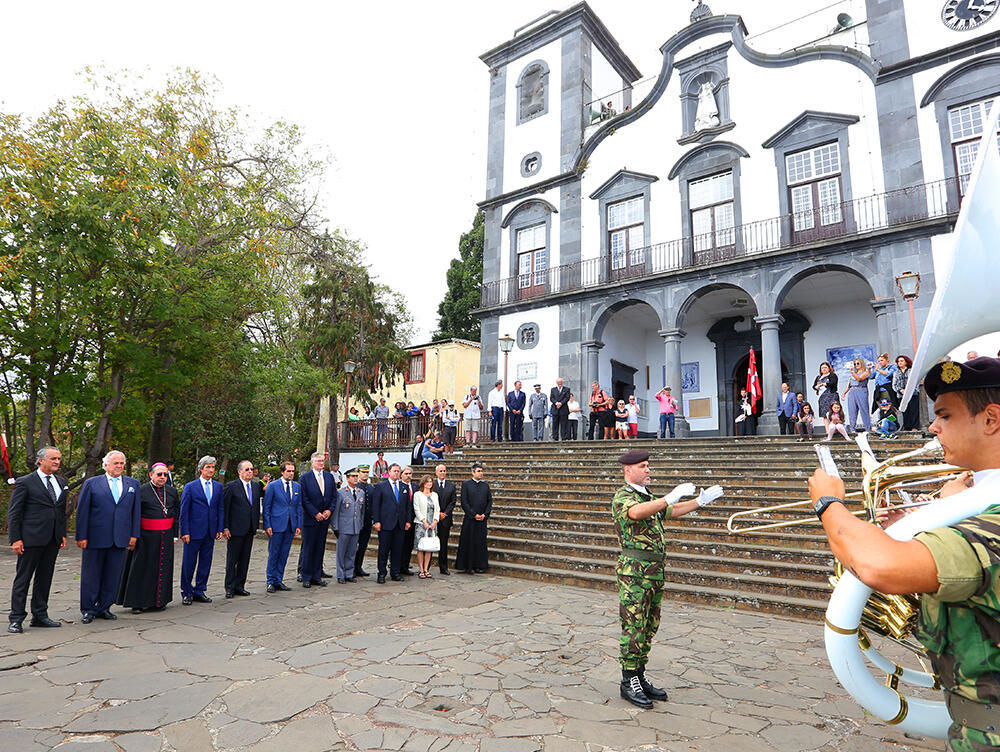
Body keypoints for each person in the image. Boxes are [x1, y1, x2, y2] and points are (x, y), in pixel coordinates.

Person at [809, 356, 1000, 751]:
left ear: (990, 419)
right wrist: (917, 523)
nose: (933, 427)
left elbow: (880, 565)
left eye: (945, 415)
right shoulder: (976, 500)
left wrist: (829, 503)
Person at [613, 449, 724, 708]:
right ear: (628, 470)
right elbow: (636, 513)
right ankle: (628, 681)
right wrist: (667, 497)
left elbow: (671, 510)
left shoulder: (647, 496)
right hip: (634, 573)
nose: (648, 469)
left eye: (648, 465)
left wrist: (699, 501)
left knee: (649, 626)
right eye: (642, 466)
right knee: (634, 627)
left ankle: (639, 674)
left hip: (654, 572)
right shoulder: (623, 497)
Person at [7, 446, 68, 633]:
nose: (57, 462)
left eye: (58, 459)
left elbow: (60, 511)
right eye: (53, 458)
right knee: (23, 578)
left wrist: (62, 533)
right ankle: (16, 618)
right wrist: (15, 539)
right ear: (41, 460)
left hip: (52, 539)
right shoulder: (25, 482)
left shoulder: (61, 481)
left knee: (44, 578)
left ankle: (40, 615)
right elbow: (15, 512)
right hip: (30, 538)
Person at [75, 450, 141, 623]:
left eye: (121, 463)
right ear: (105, 465)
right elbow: (83, 511)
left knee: (113, 575)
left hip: (120, 537)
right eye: (115, 463)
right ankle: (89, 609)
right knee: (91, 575)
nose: (119, 466)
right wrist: (81, 536)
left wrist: (134, 535)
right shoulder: (92, 483)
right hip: (95, 537)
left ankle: (104, 607)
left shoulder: (132, 484)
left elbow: (136, 512)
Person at [117, 462, 179, 612]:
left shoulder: (171, 491)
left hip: (166, 536)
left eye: (165, 475)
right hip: (145, 537)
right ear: (151, 475)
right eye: (159, 474)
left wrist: (175, 535)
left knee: (163, 568)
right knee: (142, 569)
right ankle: (137, 603)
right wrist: (133, 536)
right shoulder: (141, 491)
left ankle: (159, 601)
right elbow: (133, 514)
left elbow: (176, 514)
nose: (162, 477)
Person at [179, 456, 224, 605]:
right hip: (193, 532)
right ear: (201, 469)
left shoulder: (218, 487)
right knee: (189, 563)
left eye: (213, 467)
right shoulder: (191, 487)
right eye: (208, 467)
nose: (211, 470)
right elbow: (184, 511)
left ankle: (200, 590)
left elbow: (220, 508)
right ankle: (186, 592)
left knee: (205, 562)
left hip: (210, 531)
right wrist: (184, 531)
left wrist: (219, 528)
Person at [222, 460, 262, 598]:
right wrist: (225, 527)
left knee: (245, 560)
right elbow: (225, 508)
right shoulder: (231, 486)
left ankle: (240, 586)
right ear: (239, 471)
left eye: (251, 469)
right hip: (235, 529)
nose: (250, 472)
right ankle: (229, 587)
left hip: (250, 528)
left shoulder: (256, 486)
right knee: (232, 560)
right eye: (247, 469)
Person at [262, 461, 301, 593]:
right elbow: (267, 507)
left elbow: (298, 507)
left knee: (284, 554)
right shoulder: (273, 486)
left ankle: (278, 580)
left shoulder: (297, 486)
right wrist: (267, 525)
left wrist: (298, 524)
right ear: (282, 472)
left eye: (293, 471)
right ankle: (270, 581)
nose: (291, 474)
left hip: (290, 525)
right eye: (288, 471)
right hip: (276, 525)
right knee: (274, 554)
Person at [299, 451, 334, 588]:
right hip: (310, 519)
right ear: (312, 462)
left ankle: (317, 575)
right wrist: (315, 513)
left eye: (323, 461)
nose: (321, 463)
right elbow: (304, 499)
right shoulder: (305, 478)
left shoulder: (329, 477)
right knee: (308, 548)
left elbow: (334, 496)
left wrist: (329, 510)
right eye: (318, 461)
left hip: (324, 519)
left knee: (320, 548)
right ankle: (306, 576)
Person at [371, 463, 412, 583]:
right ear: (389, 472)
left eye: (398, 471)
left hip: (400, 524)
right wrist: (376, 521)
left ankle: (395, 573)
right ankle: (381, 573)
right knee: (383, 550)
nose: (396, 473)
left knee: (397, 550)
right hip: (385, 524)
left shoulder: (404, 487)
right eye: (394, 471)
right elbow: (376, 505)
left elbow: (408, 506)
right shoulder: (381, 486)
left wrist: (408, 520)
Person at [455, 463, 492, 574]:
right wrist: (473, 514)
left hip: (482, 520)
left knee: (480, 542)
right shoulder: (466, 485)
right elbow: (464, 502)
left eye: (481, 471)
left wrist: (485, 514)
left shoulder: (485, 486)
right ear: (473, 472)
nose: (481, 473)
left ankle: (480, 565)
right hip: (470, 519)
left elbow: (489, 501)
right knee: (469, 542)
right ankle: (468, 566)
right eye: (478, 471)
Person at [332, 468, 365, 583]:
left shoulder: (361, 492)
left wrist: (360, 524)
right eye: (353, 476)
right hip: (344, 527)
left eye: (356, 476)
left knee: (352, 552)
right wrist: (335, 527)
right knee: (341, 552)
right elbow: (336, 512)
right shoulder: (341, 493)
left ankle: (349, 573)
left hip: (355, 527)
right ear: (347, 478)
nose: (355, 478)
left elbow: (362, 511)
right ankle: (340, 574)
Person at [412, 475, 441, 578]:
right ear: (423, 483)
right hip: (421, 524)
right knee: (421, 547)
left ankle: (426, 569)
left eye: (431, 482)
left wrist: (435, 521)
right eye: (427, 482)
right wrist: (423, 521)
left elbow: (437, 509)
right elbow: (416, 509)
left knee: (429, 547)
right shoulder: (417, 494)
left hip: (432, 524)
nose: (429, 484)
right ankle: (420, 569)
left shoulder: (435, 495)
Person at [433, 463, 456, 575]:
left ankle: (443, 567)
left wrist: (445, 513)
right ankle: (425, 568)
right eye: (440, 471)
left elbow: (453, 501)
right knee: (430, 542)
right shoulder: (431, 484)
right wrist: (437, 513)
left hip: (445, 519)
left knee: (443, 544)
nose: (443, 473)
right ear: (436, 472)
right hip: (433, 519)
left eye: (444, 471)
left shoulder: (451, 486)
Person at [353, 464, 375, 577]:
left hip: (367, 521)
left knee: (363, 545)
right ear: (358, 473)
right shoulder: (355, 487)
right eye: (363, 472)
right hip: (356, 521)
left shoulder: (371, 488)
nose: (365, 474)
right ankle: (351, 568)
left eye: (367, 472)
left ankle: (358, 567)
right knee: (353, 546)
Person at [842, 357, 872, 433]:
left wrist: (852, 372)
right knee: (852, 410)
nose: (856, 365)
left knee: (864, 410)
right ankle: (852, 429)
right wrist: (844, 393)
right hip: (852, 391)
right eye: (854, 364)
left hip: (861, 390)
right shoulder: (853, 374)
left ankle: (868, 428)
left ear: (861, 364)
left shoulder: (866, 372)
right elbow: (849, 385)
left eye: (858, 363)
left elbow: (859, 379)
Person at [893, 355, 920, 431]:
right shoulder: (896, 373)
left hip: (913, 394)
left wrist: (908, 391)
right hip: (901, 395)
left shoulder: (912, 371)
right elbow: (894, 384)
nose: (900, 363)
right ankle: (907, 427)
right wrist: (900, 390)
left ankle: (915, 427)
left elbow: (915, 382)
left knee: (914, 411)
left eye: (901, 361)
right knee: (905, 411)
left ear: (906, 362)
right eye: (898, 361)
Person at [399, 466, 418, 575]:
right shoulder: (398, 486)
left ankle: (405, 566)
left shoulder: (415, 487)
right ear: (401, 475)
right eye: (406, 474)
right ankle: (396, 565)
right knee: (399, 544)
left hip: (413, 520)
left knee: (409, 545)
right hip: (401, 520)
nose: (408, 476)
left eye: (410, 473)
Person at [813, 361, 840, 433]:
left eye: (825, 367)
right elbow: (814, 386)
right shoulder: (818, 377)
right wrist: (816, 387)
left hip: (831, 396)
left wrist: (823, 384)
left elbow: (833, 383)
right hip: (822, 398)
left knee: (833, 413)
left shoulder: (832, 375)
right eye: (822, 368)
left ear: (829, 368)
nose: (824, 369)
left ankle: (835, 429)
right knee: (824, 415)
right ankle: (828, 431)